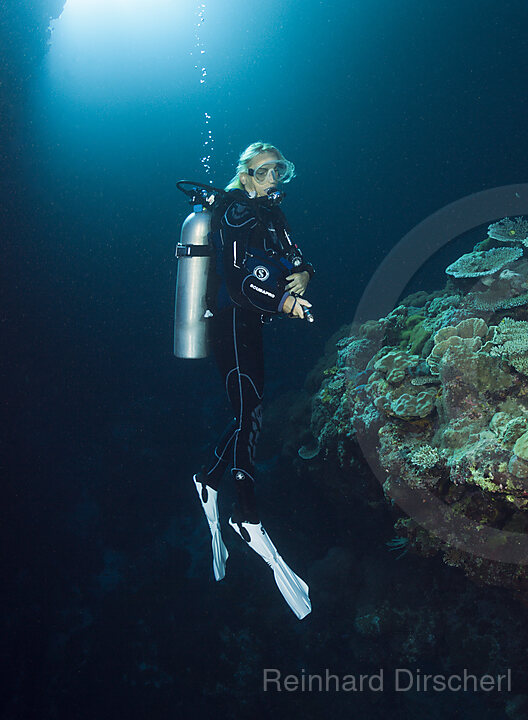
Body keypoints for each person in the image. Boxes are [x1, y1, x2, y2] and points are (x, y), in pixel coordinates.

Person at [192, 141, 314, 619]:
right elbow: (241, 274)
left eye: (278, 170)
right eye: (263, 171)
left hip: (247, 323)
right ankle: (247, 517)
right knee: (251, 414)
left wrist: (303, 273)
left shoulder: (269, 213)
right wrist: (283, 302)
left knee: (248, 411)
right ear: (244, 175)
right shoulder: (238, 214)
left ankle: (207, 481)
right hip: (233, 322)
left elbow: (290, 254)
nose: (272, 179)